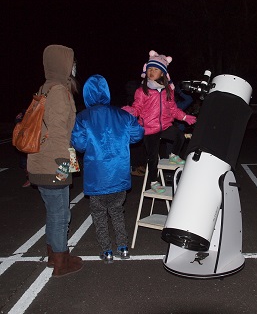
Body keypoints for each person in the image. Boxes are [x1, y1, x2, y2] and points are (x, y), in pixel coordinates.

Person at [71, 74, 144, 262]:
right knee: (117, 211)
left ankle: (107, 251)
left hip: (97, 178)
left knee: (99, 214)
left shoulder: (83, 117)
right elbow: (137, 134)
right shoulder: (122, 115)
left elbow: (79, 144)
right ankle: (123, 247)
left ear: (87, 94)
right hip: (119, 175)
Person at [27, 44, 83, 277]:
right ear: (63, 65)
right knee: (61, 214)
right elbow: (59, 132)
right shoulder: (60, 90)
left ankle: (53, 255)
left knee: (54, 211)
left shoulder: (45, 88)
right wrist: (65, 166)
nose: (74, 67)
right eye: (72, 62)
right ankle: (61, 262)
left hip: (40, 161)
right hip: (54, 162)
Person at [122, 50, 196, 194]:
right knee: (152, 158)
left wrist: (185, 117)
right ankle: (154, 182)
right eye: (150, 68)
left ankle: (173, 155)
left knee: (180, 136)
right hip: (149, 129)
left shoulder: (168, 90)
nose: (152, 71)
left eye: (155, 69)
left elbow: (173, 109)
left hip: (165, 126)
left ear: (162, 73)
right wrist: (130, 112)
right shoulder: (142, 91)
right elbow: (137, 108)